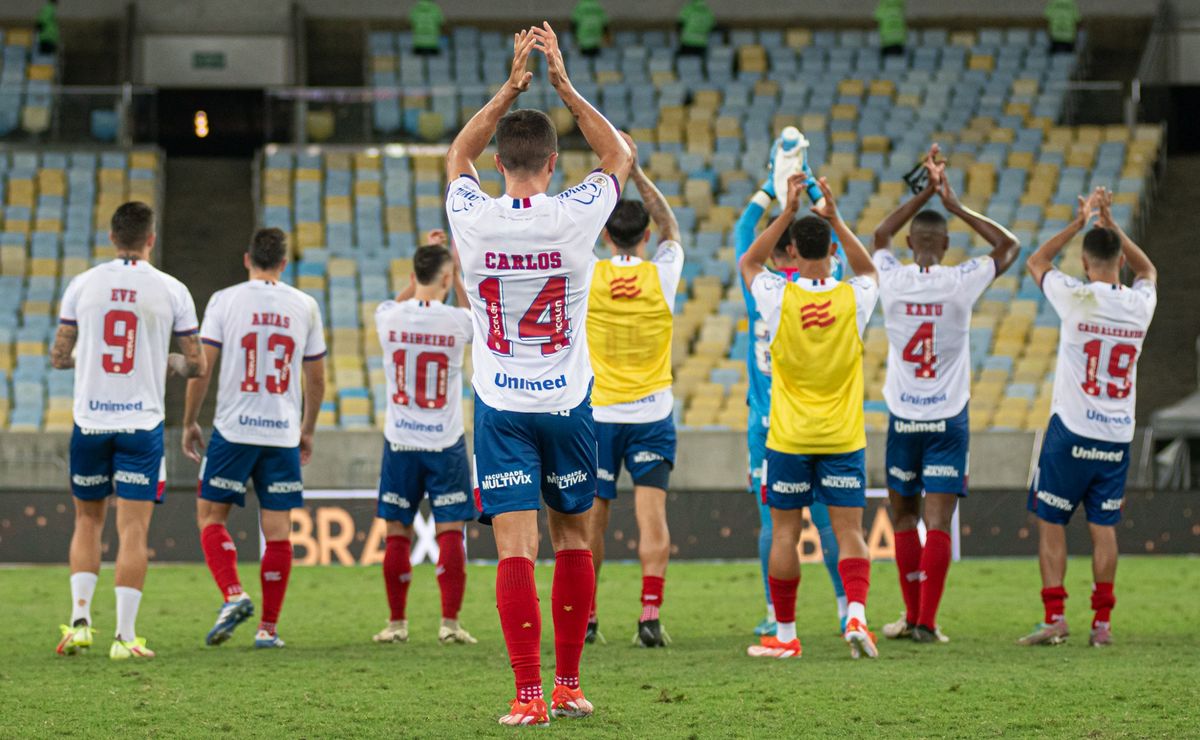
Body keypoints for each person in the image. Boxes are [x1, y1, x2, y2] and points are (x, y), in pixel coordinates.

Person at [443, 23, 633, 726]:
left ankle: (526, 697)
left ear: (500, 164)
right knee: (574, 539)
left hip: (500, 406)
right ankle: (568, 685)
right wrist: (562, 83)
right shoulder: (575, 214)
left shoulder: (474, 217)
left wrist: (509, 86)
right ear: (553, 163)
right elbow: (619, 152)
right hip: (566, 403)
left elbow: (456, 150)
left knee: (514, 552)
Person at [871, 145, 1020, 644]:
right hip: (949, 418)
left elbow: (877, 235)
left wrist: (923, 195)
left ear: (912, 242)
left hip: (904, 417)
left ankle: (910, 615)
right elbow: (1009, 247)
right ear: (948, 243)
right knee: (937, 522)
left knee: (903, 517)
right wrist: (953, 201)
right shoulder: (961, 282)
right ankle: (927, 622)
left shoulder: (891, 279)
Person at [52, 201, 205, 660]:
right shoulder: (172, 289)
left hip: (91, 421)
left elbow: (60, 356)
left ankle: (80, 623)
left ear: (113, 237)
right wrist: (170, 362)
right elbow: (196, 363)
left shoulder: (83, 284)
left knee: (87, 520)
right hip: (141, 424)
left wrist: (90, 353)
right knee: (133, 530)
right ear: (150, 239)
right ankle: (125, 637)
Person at [740, 174, 880, 660]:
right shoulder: (855, 298)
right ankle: (857, 616)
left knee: (784, 533)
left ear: (794, 252)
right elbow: (870, 271)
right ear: (833, 249)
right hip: (843, 437)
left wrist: (786, 209)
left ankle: (785, 633)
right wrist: (835, 217)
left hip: (789, 438)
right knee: (849, 533)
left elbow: (749, 260)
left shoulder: (779, 297)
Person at [1019, 188, 1156, 647]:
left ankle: (1055, 618)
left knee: (1051, 521)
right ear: (1119, 261)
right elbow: (1149, 270)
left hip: (1070, 431)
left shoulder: (1076, 297)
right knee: (1104, 528)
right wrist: (1112, 224)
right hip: (1116, 435)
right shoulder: (1140, 305)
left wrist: (1079, 223)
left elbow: (1036, 262)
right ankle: (1102, 625)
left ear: (1083, 262)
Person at [181, 228, 326, 650]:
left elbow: (202, 368)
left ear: (248, 260)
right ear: (284, 263)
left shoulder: (225, 300)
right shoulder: (305, 305)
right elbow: (315, 377)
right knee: (278, 533)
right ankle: (268, 628)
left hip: (234, 429)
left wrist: (191, 420)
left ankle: (233, 594)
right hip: (282, 432)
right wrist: (308, 428)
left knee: (210, 518)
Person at [734, 138, 848, 638]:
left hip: (769, 424)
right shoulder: (829, 281)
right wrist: (805, 176)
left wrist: (773, 184)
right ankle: (847, 606)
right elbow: (834, 243)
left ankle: (774, 611)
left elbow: (742, 234)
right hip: (823, 419)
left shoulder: (763, 291)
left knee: (775, 525)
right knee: (827, 522)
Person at [585, 159, 683, 649]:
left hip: (598, 414)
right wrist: (640, 173)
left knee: (591, 522)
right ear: (645, 238)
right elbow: (673, 227)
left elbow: (571, 235)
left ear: (607, 237)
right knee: (652, 518)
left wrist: (609, 173)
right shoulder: (663, 274)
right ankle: (648, 617)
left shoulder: (588, 274)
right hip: (651, 414)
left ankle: (588, 617)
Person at [371, 237, 478, 646]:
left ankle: (397, 624)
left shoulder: (389, 316)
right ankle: (449, 624)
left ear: (414, 275)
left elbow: (399, 302)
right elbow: (476, 317)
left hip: (400, 442)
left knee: (397, 532)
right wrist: (459, 268)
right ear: (447, 279)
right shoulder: (456, 320)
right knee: (450, 531)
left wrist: (422, 262)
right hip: (445, 441)